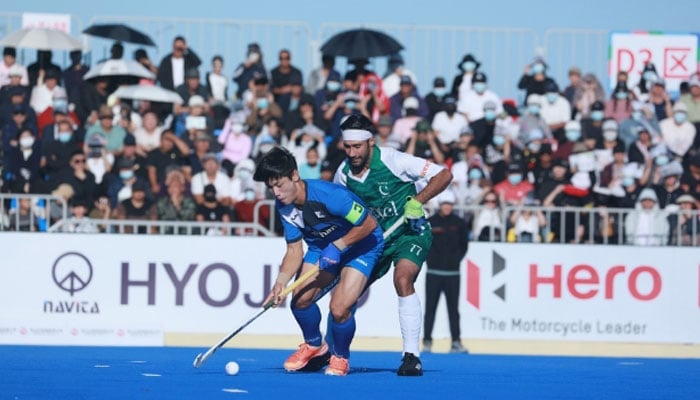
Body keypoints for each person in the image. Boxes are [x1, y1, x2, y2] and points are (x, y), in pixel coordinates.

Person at [334, 114, 453, 376]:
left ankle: (411, 356)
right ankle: (334, 352)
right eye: (347, 147)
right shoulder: (342, 175)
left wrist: (417, 201)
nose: (352, 153)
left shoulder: (393, 160)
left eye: (358, 147)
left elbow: (443, 174)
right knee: (345, 297)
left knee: (403, 280)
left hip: (411, 232)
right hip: (375, 241)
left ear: (370, 143)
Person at [255, 146, 384, 376]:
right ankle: (316, 346)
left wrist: (338, 246)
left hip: (362, 246)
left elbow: (369, 224)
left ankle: (341, 357)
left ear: (294, 175)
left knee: (339, 308)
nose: (276, 192)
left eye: (279, 184)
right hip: (322, 247)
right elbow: (294, 250)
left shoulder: (330, 196)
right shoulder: (284, 206)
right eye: (271, 187)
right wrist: (281, 282)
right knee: (300, 300)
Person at [422, 188, 469, 354]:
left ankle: (456, 341)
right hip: (433, 273)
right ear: (440, 205)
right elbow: (425, 244)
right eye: (444, 204)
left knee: (453, 310)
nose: (447, 207)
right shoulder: (431, 222)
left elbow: (464, 245)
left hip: (453, 274)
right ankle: (427, 341)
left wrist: (455, 260)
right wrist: (431, 261)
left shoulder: (459, 223)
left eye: (450, 204)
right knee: (430, 309)